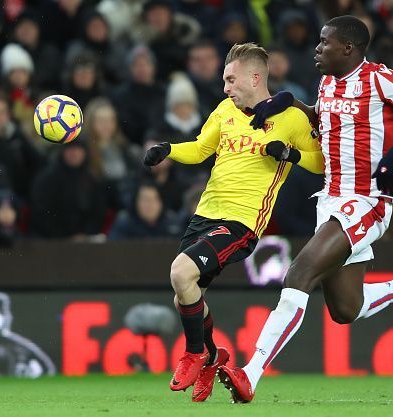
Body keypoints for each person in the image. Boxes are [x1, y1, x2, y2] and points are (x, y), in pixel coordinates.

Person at [217, 16, 393, 403]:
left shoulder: (380, 79)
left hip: (368, 200)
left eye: (325, 43)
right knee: (345, 309)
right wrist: (289, 103)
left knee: (300, 272)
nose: (317, 49)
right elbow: (326, 125)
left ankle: (250, 373)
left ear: (349, 49)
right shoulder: (326, 83)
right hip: (331, 200)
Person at [143, 43, 323, 402]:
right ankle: (213, 355)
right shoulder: (225, 109)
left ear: (255, 78)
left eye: (230, 79)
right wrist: (169, 150)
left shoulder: (290, 119)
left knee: (181, 273)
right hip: (205, 215)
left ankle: (196, 354)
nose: (225, 87)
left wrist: (290, 154)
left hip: (242, 221)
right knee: (186, 297)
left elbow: (320, 162)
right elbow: (200, 148)